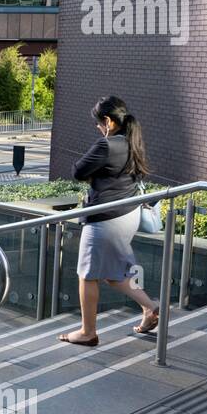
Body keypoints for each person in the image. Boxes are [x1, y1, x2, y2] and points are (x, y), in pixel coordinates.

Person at [59, 96, 161, 346]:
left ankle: (88, 332)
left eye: (98, 123)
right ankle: (150, 307)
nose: (97, 128)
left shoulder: (106, 146)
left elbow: (78, 171)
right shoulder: (132, 142)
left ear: (108, 121)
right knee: (114, 273)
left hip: (106, 218)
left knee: (87, 274)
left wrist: (101, 144)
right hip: (128, 215)